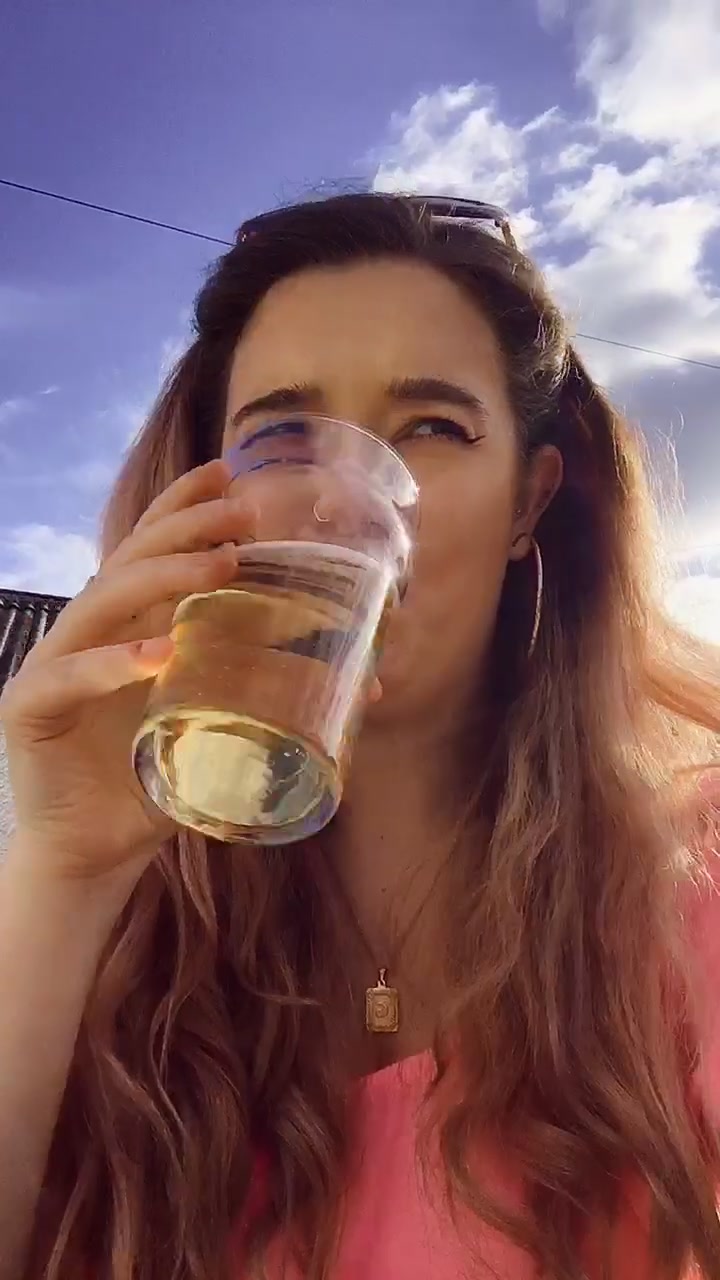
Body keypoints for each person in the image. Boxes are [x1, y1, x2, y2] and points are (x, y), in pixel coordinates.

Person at [0, 191, 719, 1280]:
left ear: (529, 504)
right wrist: (64, 870)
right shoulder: (91, 960)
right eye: (281, 439)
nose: (341, 502)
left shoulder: (686, 891)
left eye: (431, 427)